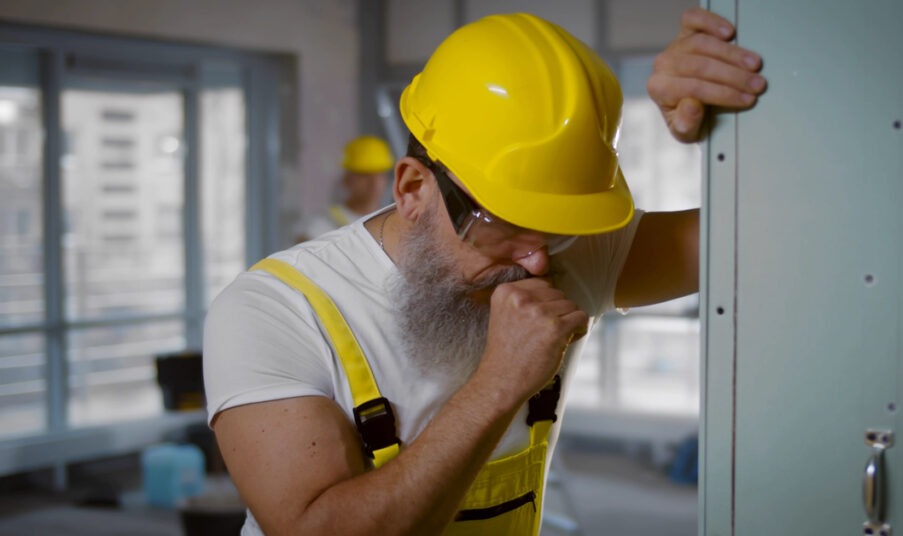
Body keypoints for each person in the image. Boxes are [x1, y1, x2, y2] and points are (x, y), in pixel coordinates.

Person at [204, 7, 765, 536]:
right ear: (413, 189)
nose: (539, 261)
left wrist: (728, 119)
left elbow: (779, 239)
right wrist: (499, 384)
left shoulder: (567, 255)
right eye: (504, 225)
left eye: (560, 229)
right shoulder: (274, 310)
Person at [297, 135, 395, 242]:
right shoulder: (319, 226)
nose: (375, 183)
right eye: (365, 174)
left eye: (380, 174)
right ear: (347, 179)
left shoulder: (392, 223)